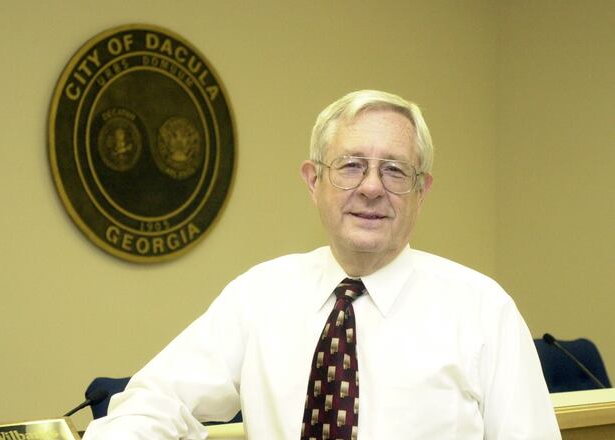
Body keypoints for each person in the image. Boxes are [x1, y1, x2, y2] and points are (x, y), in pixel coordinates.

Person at [84, 90, 561, 439]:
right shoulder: (260, 296)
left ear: (423, 191)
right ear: (314, 181)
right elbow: (156, 399)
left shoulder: (482, 310)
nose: (372, 187)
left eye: (395, 170)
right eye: (351, 165)